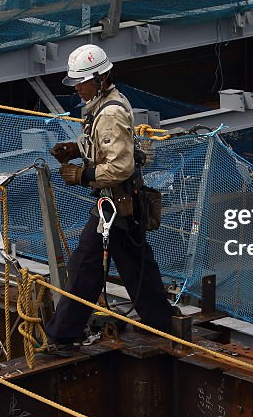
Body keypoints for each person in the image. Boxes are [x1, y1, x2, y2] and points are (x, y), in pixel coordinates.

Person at [45, 44, 173, 345]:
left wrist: (83, 174)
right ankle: (163, 323)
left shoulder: (110, 113)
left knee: (85, 269)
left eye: (82, 82)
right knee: (135, 265)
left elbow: (120, 167)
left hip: (115, 203)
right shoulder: (104, 105)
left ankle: (62, 336)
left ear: (100, 79)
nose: (77, 88)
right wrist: (77, 149)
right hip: (120, 205)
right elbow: (108, 149)